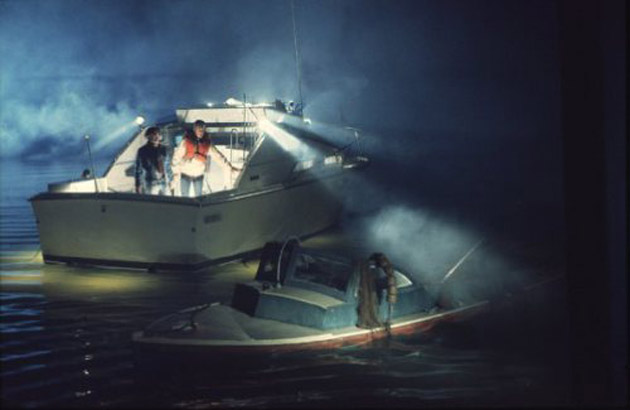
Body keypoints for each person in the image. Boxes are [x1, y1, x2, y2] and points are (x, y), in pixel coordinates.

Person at [171, 119, 240, 197]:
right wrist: (175, 174)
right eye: (199, 129)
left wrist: (229, 167)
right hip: (185, 174)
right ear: (194, 129)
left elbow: (219, 157)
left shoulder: (207, 144)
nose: (201, 131)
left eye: (203, 129)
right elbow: (176, 158)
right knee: (184, 197)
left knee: (199, 197)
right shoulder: (186, 142)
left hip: (199, 175)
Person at [135, 126, 172, 195]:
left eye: (158, 134)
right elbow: (138, 169)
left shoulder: (163, 149)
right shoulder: (143, 150)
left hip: (164, 181)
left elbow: (167, 166)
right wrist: (138, 184)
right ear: (148, 136)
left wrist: (171, 180)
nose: (156, 136)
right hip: (151, 182)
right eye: (154, 134)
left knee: (168, 200)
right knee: (152, 201)